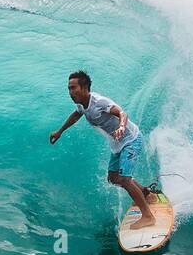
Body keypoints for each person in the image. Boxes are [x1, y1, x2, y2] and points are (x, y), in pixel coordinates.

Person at [49, 69, 156, 229]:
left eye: (73, 88)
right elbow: (77, 114)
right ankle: (147, 194)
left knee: (125, 179)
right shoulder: (82, 104)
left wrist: (121, 127)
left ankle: (148, 217)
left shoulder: (99, 102)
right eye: (69, 88)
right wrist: (60, 131)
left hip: (131, 139)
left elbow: (122, 113)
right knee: (114, 178)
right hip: (117, 143)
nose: (70, 92)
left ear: (84, 88)